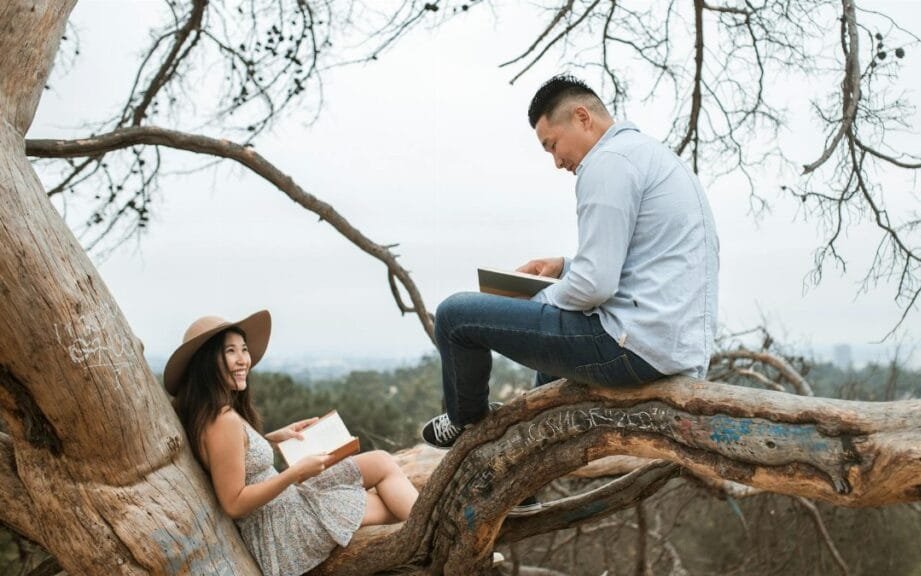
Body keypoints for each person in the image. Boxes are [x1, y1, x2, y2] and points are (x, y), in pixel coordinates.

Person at [421, 74, 719, 449]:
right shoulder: (648, 155)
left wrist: (533, 301)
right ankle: (520, 482)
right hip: (672, 347)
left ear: (582, 117)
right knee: (547, 377)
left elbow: (595, 286)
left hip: (633, 348)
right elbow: (640, 260)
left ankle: (465, 423)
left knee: (455, 316)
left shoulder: (607, 163)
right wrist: (564, 266)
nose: (557, 161)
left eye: (552, 145)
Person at [164, 310, 419, 576]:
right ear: (207, 362)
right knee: (391, 501)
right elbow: (234, 502)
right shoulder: (222, 420)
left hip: (287, 504)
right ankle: (434, 540)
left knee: (381, 463)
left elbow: (231, 458)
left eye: (244, 349)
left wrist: (273, 439)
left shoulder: (209, 413)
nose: (243, 360)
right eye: (231, 351)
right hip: (282, 529)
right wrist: (295, 473)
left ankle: (429, 533)